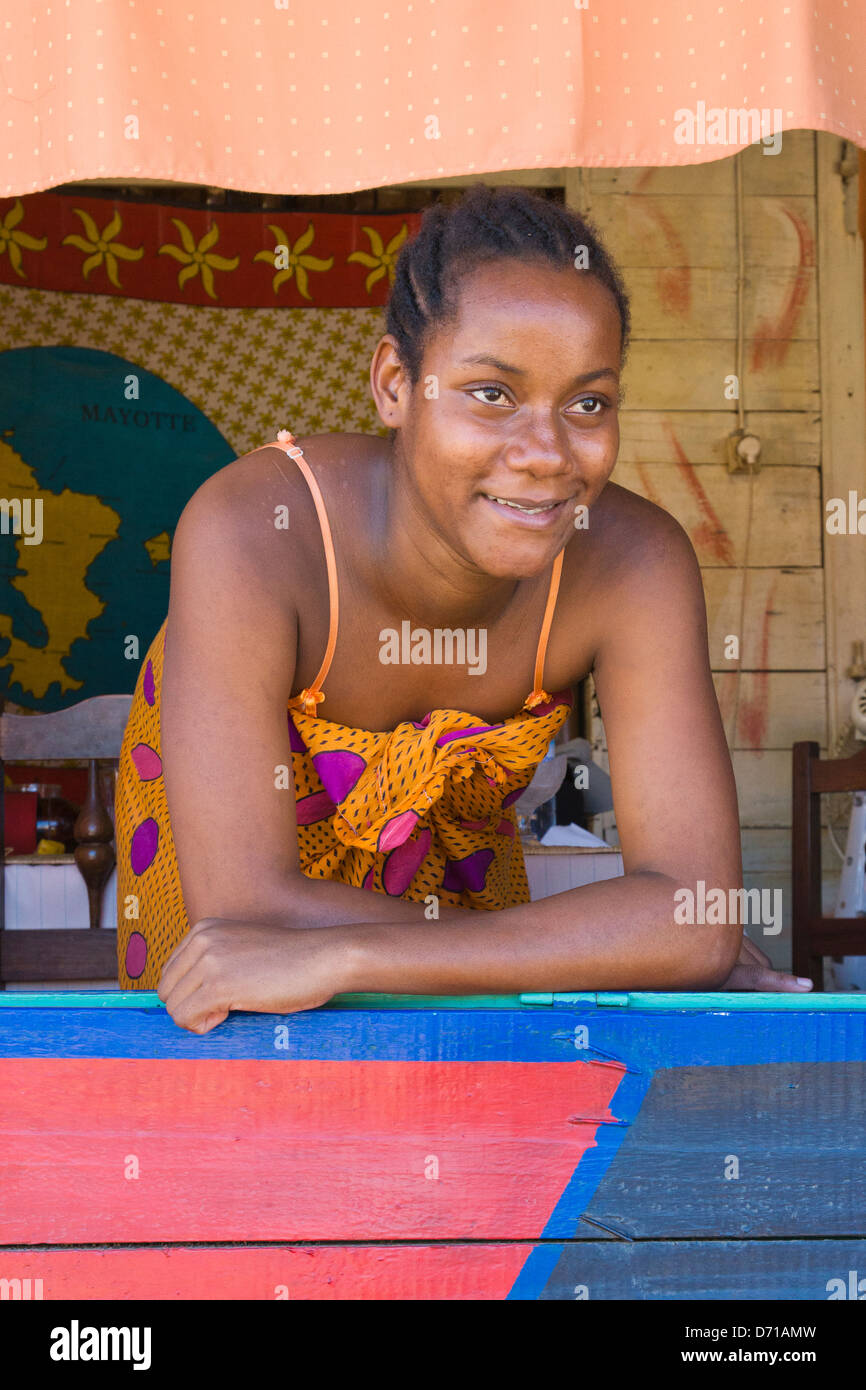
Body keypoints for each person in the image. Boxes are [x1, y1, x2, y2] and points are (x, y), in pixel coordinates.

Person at [115, 183, 810, 1033]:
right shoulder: (253, 534)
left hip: (463, 938)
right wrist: (602, 945)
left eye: (588, 403)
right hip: (254, 956)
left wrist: (348, 955)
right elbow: (245, 918)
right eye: (491, 393)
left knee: (487, 1123)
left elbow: (694, 914)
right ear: (395, 384)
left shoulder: (634, 561)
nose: (547, 456)